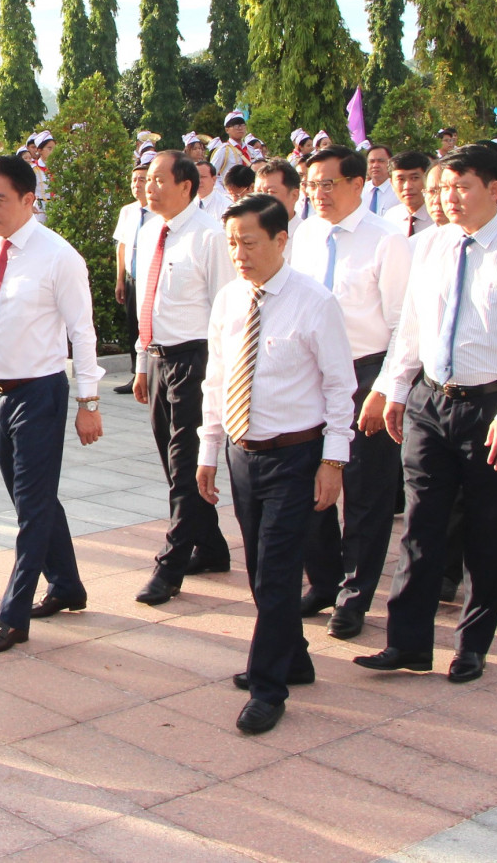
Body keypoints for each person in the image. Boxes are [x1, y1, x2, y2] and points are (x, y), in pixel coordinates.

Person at [357, 145, 497, 685]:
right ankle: (408, 642)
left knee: (487, 531)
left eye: (461, 187)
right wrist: (391, 390)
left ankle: (473, 645)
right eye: (443, 188)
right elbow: (412, 327)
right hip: (430, 401)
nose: (449, 198)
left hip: (490, 407)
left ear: (496, 189)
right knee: (420, 524)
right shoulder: (429, 246)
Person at [194, 195, 354, 735]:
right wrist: (208, 450)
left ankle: (268, 686)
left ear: (281, 240)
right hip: (244, 453)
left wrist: (334, 460)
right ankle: (296, 657)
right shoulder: (228, 301)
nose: (239, 253)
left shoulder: (315, 302)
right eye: (232, 243)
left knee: (281, 571)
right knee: (261, 572)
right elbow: (216, 379)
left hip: (296, 455)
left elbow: (340, 387)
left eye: (250, 242)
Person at [0, 157, 104, 652]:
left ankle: (12, 617)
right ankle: (66, 585)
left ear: (27, 200)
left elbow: (82, 332)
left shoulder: (59, 256)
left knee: (32, 507)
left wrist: (89, 399)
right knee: (30, 499)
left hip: (40, 392)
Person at [291, 147, 410, 641]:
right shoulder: (305, 235)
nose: (318, 194)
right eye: (311, 184)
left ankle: (355, 594)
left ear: (358, 184)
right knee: (309, 480)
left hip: (367, 373)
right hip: (311, 374)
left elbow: (405, 323)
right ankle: (323, 579)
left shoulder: (387, 241)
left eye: (328, 184)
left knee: (365, 489)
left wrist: (387, 387)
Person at [133, 151, 234, 602]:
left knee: (184, 465)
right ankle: (210, 547)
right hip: (157, 359)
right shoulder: (151, 229)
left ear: (187, 186)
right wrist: (141, 362)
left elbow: (225, 310)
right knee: (172, 464)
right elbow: (146, 301)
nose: (149, 187)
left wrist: (220, 377)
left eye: (158, 180)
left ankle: (169, 566)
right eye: (146, 179)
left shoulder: (211, 237)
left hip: (195, 362)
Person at [113, 154, 157, 380]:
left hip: (152, 279)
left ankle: (152, 373)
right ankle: (135, 373)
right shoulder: (127, 211)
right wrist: (120, 279)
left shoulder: (159, 212)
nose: (136, 185)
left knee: (151, 325)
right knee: (133, 326)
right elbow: (121, 246)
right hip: (132, 278)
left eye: (141, 180)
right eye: (133, 180)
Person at [382, 151, 434, 238]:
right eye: (401, 179)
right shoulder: (390, 217)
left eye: (414, 178)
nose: (408, 186)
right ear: (391, 183)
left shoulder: (439, 217)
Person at [253, 159, 302, 231]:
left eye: (270, 192)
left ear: (294, 195)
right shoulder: (249, 232)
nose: (261, 199)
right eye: (258, 192)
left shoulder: (309, 235)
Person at [360, 144, 400, 216]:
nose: (375, 165)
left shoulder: (398, 191)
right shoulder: (360, 190)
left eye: (381, 161)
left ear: (390, 163)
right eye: (371, 161)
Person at [29, 130, 56, 220]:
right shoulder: (33, 169)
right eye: (49, 148)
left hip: (58, 206)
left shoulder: (59, 167)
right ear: (40, 150)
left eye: (54, 148)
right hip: (40, 209)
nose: (53, 152)